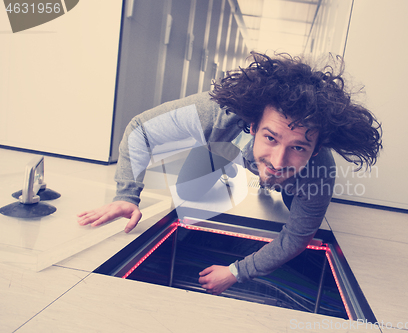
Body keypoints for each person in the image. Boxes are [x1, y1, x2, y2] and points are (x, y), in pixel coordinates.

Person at [77, 52, 382, 295]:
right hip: (230, 148)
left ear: (315, 150)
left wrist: (237, 272)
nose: (278, 159)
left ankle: (276, 186)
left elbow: (296, 238)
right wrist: (127, 194)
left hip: (295, 183)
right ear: (252, 126)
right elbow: (140, 130)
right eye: (271, 138)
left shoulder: (318, 172)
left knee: (287, 195)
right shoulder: (216, 114)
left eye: (299, 147)